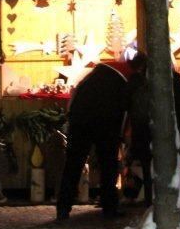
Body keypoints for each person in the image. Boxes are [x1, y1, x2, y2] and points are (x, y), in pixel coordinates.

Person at [57, 58, 137, 220]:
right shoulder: (125, 82)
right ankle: (109, 206)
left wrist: (72, 121)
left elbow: (74, 99)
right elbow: (126, 110)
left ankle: (63, 207)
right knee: (108, 166)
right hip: (106, 126)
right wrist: (121, 134)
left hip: (81, 123)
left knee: (74, 164)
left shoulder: (91, 78)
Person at [126, 52, 180, 207]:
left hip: (146, 133)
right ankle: (169, 201)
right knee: (169, 167)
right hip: (167, 131)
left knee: (149, 169)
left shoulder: (141, 85)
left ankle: (152, 200)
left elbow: (135, 111)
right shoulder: (173, 81)